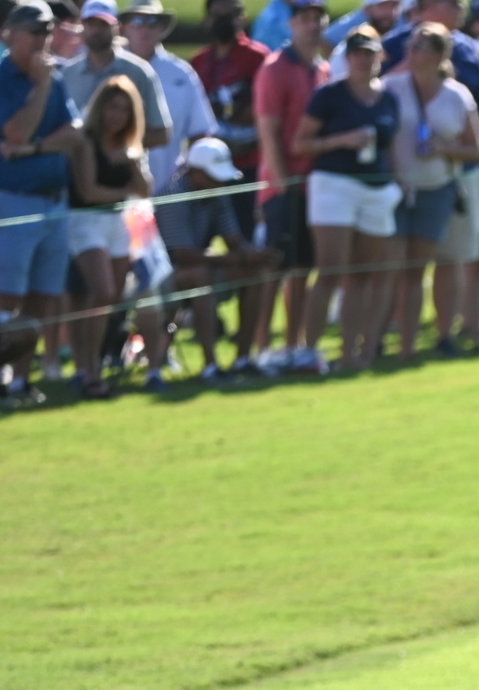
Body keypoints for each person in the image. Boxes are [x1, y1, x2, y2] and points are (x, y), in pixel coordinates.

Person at [295, 22, 401, 370]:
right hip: (334, 184)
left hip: (376, 188)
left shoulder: (388, 98)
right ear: (347, 57)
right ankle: (310, 351)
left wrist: (398, 185)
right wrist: (341, 140)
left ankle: (355, 351)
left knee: (364, 275)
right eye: (356, 54)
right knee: (330, 271)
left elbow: (394, 148)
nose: (362, 60)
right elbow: (301, 143)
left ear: (379, 58)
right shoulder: (329, 94)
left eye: (369, 54)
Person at [382, 20, 479, 361]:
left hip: (437, 188)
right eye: (410, 45)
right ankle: (389, 340)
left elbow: (476, 149)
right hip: (396, 189)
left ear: (439, 55)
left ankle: (428, 339)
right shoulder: (390, 87)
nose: (410, 51)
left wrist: (444, 148)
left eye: (419, 46)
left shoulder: (457, 94)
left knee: (422, 267)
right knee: (394, 267)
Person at [0, 0, 79, 406]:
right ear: (9, 33)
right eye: (35, 31)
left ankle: (20, 382)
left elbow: (74, 133)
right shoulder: (7, 76)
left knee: (42, 296)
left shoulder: (55, 75)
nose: (43, 40)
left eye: (47, 31)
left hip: (54, 201)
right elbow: (14, 131)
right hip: (13, 199)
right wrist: (42, 87)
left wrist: (33, 149)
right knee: (7, 296)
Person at [151, 135, 279, 379]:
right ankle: (211, 367)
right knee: (200, 276)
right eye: (213, 176)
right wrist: (236, 259)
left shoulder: (214, 190)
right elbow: (182, 255)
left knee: (254, 273)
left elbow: (233, 240)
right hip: (162, 277)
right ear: (195, 172)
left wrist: (253, 255)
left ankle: (243, 359)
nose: (219, 183)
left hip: (200, 267)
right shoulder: (172, 195)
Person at [253, 0, 330, 371]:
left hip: (315, 186)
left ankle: (293, 345)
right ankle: (262, 347)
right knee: (276, 267)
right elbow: (268, 131)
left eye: (318, 18)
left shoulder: (322, 69)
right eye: (305, 19)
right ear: (292, 23)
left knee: (302, 269)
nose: (312, 25)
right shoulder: (275, 68)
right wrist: (283, 184)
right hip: (283, 186)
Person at [66, 74, 149, 397]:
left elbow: (143, 190)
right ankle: (86, 369)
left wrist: (134, 163)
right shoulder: (85, 141)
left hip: (118, 223)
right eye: (112, 107)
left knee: (109, 299)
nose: (117, 115)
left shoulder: (129, 147)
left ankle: (92, 367)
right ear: (101, 107)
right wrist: (124, 189)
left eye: (124, 110)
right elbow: (88, 191)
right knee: (101, 291)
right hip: (84, 222)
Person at [191, 0, 270, 245]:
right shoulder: (199, 62)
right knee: (197, 242)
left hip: (246, 168)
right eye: (218, 15)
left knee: (246, 242)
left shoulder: (259, 58)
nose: (224, 20)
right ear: (207, 20)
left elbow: (264, 113)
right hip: (206, 172)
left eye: (231, 14)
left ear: (242, 18)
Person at [120, 0, 216, 189]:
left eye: (152, 21)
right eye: (138, 21)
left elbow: (200, 133)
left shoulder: (181, 73)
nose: (145, 28)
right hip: (119, 192)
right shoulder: (111, 68)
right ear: (124, 27)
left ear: (162, 27)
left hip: (170, 189)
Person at [60, 0, 171, 149]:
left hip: (122, 168)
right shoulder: (66, 74)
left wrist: (116, 146)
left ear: (117, 28)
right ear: (82, 27)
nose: (96, 30)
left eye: (103, 24)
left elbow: (161, 134)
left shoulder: (139, 72)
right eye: (91, 24)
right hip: (75, 169)